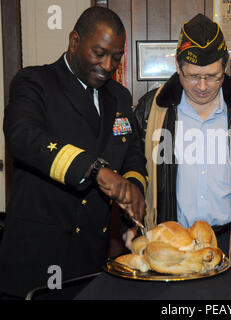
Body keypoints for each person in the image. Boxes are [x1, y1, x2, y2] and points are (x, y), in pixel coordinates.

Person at [0, 6, 147, 299]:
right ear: (74, 41)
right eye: (99, 53)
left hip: (90, 262)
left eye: (116, 57)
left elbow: (132, 150)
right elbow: (23, 136)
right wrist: (95, 170)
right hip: (36, 262)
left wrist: (133, 187)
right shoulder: (34, 83)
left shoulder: (118, 96)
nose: (108, 65)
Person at [128, 14, 231, 271]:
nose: (202, 86)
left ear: (226, 67)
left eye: (213, 76)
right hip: (171, 242)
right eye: (192, 76)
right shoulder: (152, 109)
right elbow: (133, 163)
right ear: (178, 68)